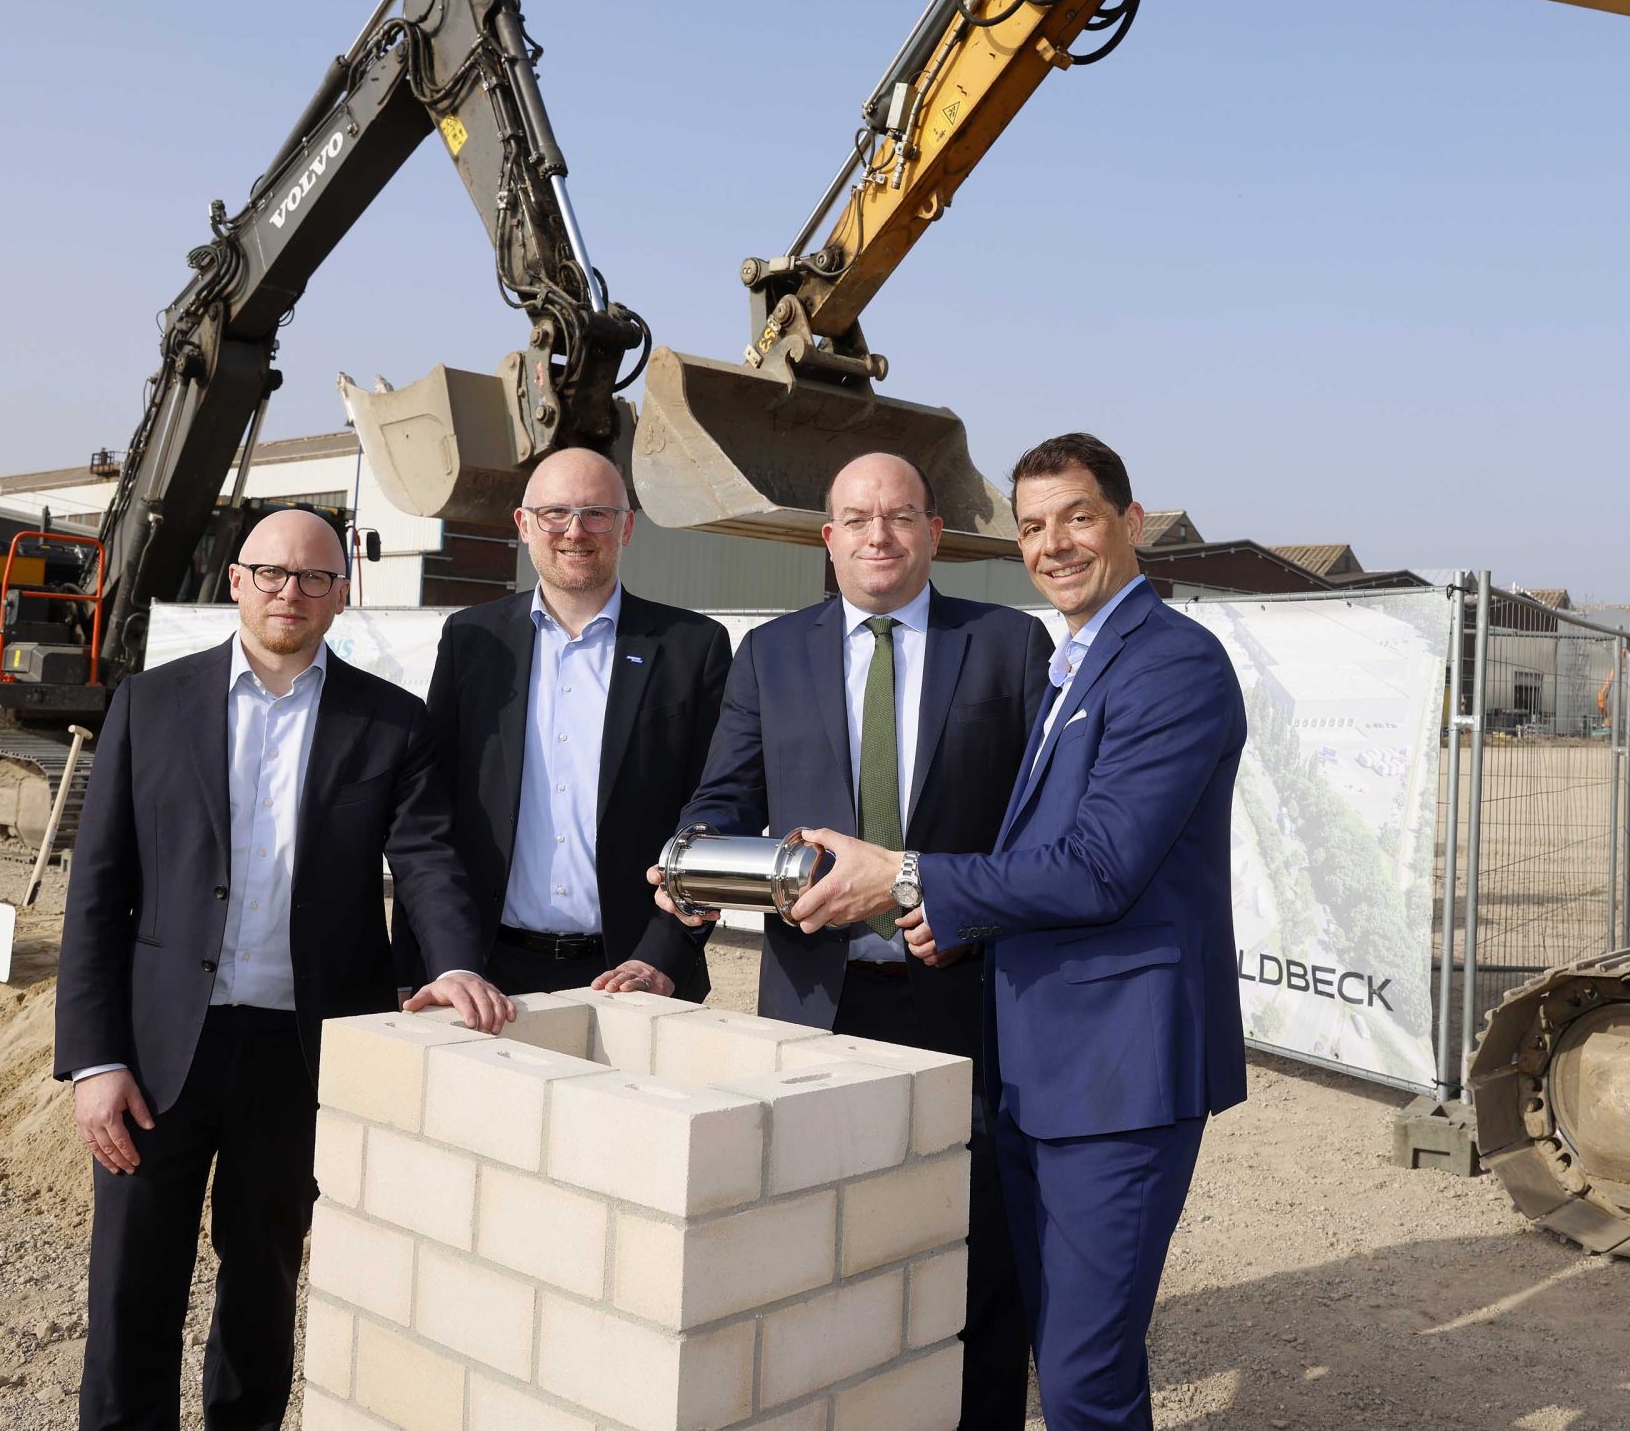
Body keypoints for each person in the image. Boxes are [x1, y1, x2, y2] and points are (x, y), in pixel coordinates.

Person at [788, 433, 1249, 1431]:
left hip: (1119, 1077)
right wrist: (958, 922)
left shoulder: (1171, 663)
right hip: (1042, 1070)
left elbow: (1100, 865)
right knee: (1069, 1356)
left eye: (1078, 518)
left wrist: (905, 874)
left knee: (1084, 1382)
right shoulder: (1075, 662)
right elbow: (1039, 855)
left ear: (1130, 523)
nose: (1053, 545)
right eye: (1033, 527)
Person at [54, 508, 510, 1431]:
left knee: (263, 1282)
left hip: (298, 1055)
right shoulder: (150, 704)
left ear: (341, 596)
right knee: (132, 1283)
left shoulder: (390, 723)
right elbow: (97, 894)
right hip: (157, 1053)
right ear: (235, 581)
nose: (288, 593)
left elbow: (425, 858)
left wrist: (457, 963)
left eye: (313, 578)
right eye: (269, 572)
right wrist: (93, 1059)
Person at [660, 450, 1043, 1428]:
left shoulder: (1008, 645)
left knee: (976, 1252)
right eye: (858, 519)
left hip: (964, 995)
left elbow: (1035, 833)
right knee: (819, 1246)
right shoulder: (771, 654)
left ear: (935, 534)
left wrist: (967, 913)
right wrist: (696, 868)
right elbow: (721, 801)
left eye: (901, 515)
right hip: (816, 1006)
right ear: (827, 539)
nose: (880, 534)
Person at [403, 445, 731, 1000]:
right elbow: (431, 812)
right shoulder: (470, 642)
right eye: (555, 513)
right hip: (485, 973)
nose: (575, 531)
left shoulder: (692, 649)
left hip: (634, 977)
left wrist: (662, 955)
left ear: (627, 528)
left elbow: (715, 814)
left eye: (597, 513)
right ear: (524, 525)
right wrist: (442, 961)